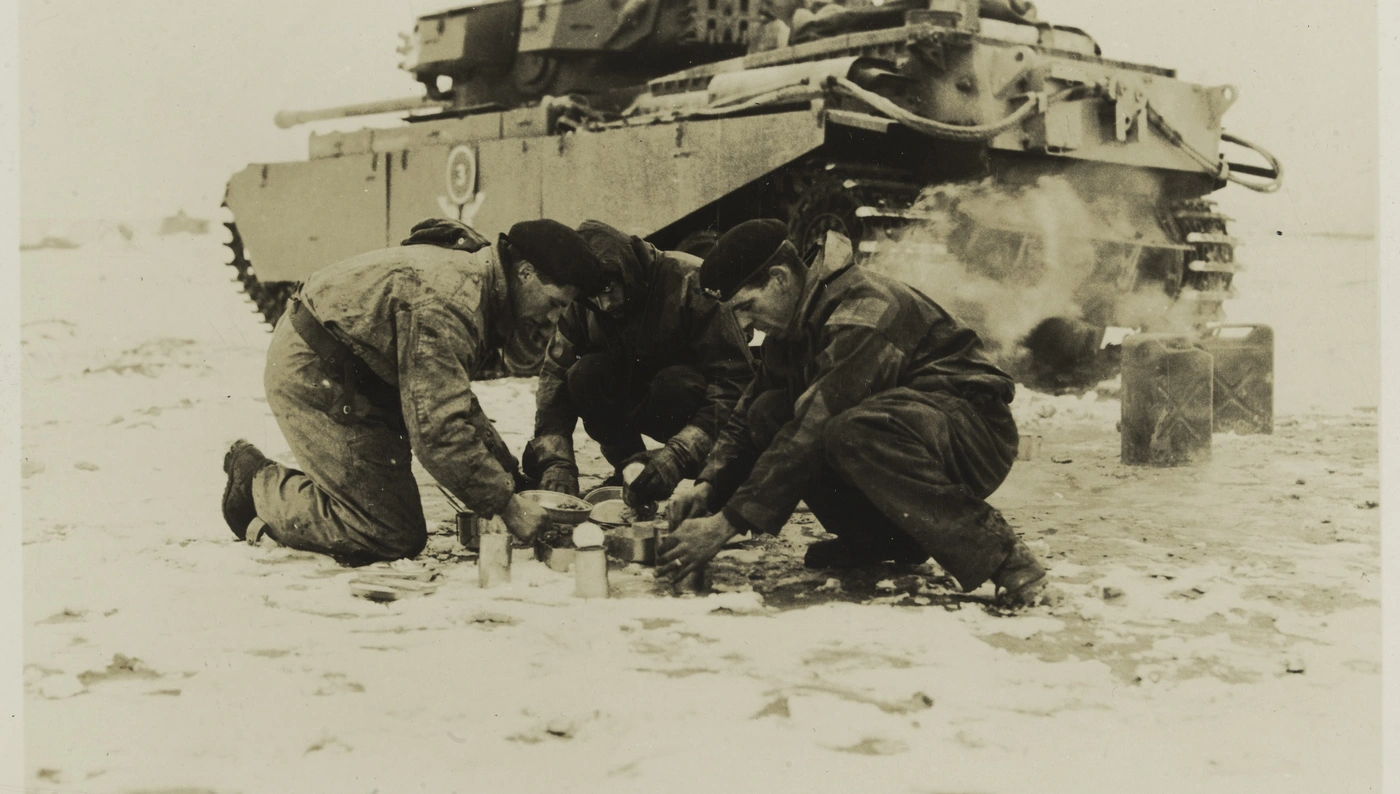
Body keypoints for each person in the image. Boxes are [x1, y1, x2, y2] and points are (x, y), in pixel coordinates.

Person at [658, 219, 1048, 607]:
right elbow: (745, 417)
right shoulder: (790, 327)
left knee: (850, 430)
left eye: (746, 307)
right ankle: (884, 542)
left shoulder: (862, 309)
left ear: (777, 279)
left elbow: (813, 425)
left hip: (973, 430)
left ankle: (1006, 560)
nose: (744, 325)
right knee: (767, 411)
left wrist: (725, 525)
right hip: (912, 426)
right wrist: (708, 486)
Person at [219, 218, 609, 565]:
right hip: (316, 373)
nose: (555, 318)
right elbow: (437, 430)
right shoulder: (453, 302)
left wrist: (513, 481)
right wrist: (506, 505)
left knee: (394, 516)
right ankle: (256, 484)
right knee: (387, 533)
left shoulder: (477, 286)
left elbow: (455, 405)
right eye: (555, 303)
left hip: (362, 377)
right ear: (525, 273)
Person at [523, 219, 753, 509]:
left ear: (627, 270)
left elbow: (736, 382)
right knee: (584, 375)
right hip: (636, 395)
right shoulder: (583, 304)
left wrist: (678, 455)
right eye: (593, 294)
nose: (604, 304)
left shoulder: (690, 280)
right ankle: (629, 471)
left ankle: (711, 476)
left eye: (608, 287)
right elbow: (555, 377)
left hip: (692, 408)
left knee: (674, 384)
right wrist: (556, 462)